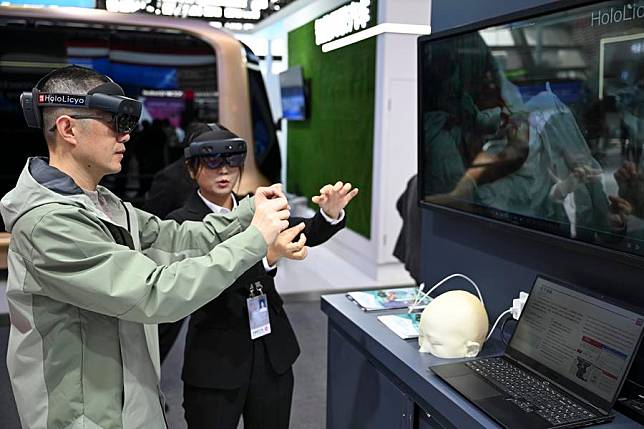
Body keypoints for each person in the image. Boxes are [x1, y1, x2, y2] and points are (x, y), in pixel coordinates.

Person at [0, 65, 291, 429]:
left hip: (131, 401)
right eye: (114, 122)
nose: (125, 136)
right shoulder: (48, 224)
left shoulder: (105, 203)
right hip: (85, 416)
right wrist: (254, 240)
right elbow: (155, 293)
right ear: (68, 128)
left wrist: (248, 209)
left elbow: (180, 239)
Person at [158, 122, 358, 429]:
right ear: (191, 168)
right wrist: (268, 257)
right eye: (212, 161)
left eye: (232, 160)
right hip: (216, 360)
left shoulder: (257, 207)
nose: (223, 170)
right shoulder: (181, 225)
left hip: (271, 352)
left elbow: (301, 231)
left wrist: (329, 214)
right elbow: (204, 279)